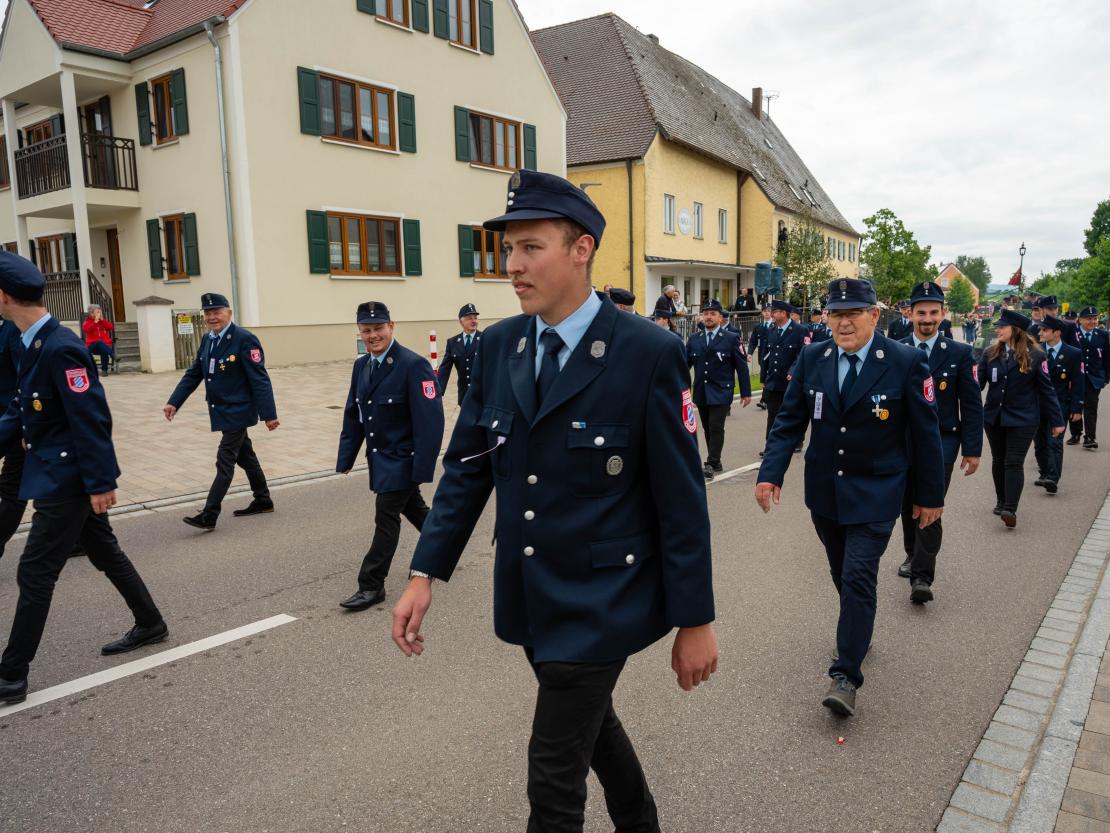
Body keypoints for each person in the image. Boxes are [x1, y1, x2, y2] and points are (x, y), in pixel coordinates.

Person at [391, 169, 718, 832]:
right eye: (508, 249)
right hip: (531, 594)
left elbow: (681, 502)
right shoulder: (501, 345)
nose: (512, 266)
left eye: (530, 247)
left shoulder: (648, 354)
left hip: (602, 601)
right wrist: (426, 570)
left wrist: (695, 619)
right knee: (594, 732)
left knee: (552, 772)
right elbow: (467, 468)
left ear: (581, 248)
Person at [755, 277, 944, 717]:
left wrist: (929, 497)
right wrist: (771, 474)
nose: (842, 323)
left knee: (859, 576)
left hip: (877, 491)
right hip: (825, 491)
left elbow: (925, 433)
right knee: (842, 574)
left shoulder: (905, 362)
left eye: (852, 314)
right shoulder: (812, 356)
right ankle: (859, 626)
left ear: (874, 316)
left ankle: (846, 675)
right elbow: (788, 422)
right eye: (835, 314)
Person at [0, 252, 167, 706]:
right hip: (55, 471)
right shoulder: (29, 342)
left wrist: (99, 482)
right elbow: (22, 410)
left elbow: (91, 420)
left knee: (34, 571)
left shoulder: (61, 346)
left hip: (69, 477)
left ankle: (11, 675)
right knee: (104, 550)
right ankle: (150, 622)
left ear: (4, 296)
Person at [336, 302, 444, 611]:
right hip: (381, 460)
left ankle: (371, 585)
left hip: (403, 459)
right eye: (366, 330)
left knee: (386, 515)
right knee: (415, 509)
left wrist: (422, 467)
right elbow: (354, 414)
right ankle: (445, 545)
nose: (373, 336)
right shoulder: (362, 365)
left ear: (391, 326)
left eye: (378, 328)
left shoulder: (413, 365)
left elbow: (431, 421)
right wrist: (346, 458)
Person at [896, 281, 982, 604]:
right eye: (921, 312)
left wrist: (973, 449)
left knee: (930, 500)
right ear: (910, 314)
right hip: (902, 441)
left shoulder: (959, 354)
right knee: (907, 503)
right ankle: (911, 553)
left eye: (934, 312)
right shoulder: (896, 349)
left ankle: (922, 575)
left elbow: (972, 404)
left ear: (943, 314)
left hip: (944, 440)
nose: (927, 318)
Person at [164, 293, 278, 531]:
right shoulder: (208, 339)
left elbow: (260, 380)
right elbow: (195, 373)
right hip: (221, 410)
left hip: (239, 410)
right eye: (208, 313)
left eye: (217, 312)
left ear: (229, 312)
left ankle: (210, 513)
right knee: (245, 456)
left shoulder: (245, 339)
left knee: (224, 461)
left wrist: (269, 414)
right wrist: (174, 401)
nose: (212, 317)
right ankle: (263, 499)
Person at [978, 309, 1064, 528]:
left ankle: (1010, 508)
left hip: (1023, 419)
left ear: (1015, 330)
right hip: (994, 418)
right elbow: (976, 385)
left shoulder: (1037, 355)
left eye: (1002, 326)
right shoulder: (990, 353)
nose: (998, 329)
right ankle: (1000, 500)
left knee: (1013, 462)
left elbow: (1047, 391)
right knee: (998, 460)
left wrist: (1056, 421)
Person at [687, 298, 752, 480]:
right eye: (706, 313)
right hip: (701, 391)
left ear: (720, 318)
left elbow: (741, 367)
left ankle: (711, 461)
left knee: (716, 426)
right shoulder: (694, 339)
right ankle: (716, 461)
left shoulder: (731, 338)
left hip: (722, 390)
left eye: (712, 314)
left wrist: (746, 392)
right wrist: (679, 388)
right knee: (707, 428)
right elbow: (685, 365)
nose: (708, 317)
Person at [1034, 316, 1084, 494]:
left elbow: (1078, 382)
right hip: (1037, 405)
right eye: (1040, 329)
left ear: (1057, 333)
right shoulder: (1035, 351)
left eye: (1044, 330)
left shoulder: (1073, 353)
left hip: (1059, 405)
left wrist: (1077, 408)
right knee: (1039, 443)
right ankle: (1044, 472)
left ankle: (1052, 478)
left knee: (1054, 442)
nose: (1040, 333)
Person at [759, 299, 807, 454]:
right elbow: (767, 355)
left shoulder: (800, 330)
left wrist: (794, 371)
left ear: (785, 314)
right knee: (772, 414)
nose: (773, 314)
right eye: (773, 312)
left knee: (793, 412)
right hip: (774, 380)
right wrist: (763, 378)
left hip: (791, 380)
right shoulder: (771, 330)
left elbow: (803, 354)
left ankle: (797, 441)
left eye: (776, 312)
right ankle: (770, 445)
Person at [0, 314, 25, 560]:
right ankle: (83, 537)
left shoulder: (13, 329)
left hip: (17, 422)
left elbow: (25, 380)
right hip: (6, 422)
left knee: (12, 487)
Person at [1072, 306, 1110, 449]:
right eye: (1089, 319)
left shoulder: (1102, 334)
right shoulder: (1073, 334)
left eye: (1095, 318)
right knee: (1075, 404)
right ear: (1080, 320)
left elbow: (1107, 357)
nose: (1093, 321)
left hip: (1094, 378)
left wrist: (1106, 376)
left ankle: (1089, 437)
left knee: (1091, 407)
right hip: (1076, 377)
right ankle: (1076, 433)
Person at [438, 303, 482, 403]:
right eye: (469, 318)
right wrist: (438, 392)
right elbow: (445, 369)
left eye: (475, 318)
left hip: (482, 394)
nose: (474, 321)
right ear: (461, 322)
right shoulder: (452, 342)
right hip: (464, 395)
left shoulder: (484, 338)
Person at [749, 305, 773, 409]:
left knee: (768, 378)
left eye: (769, 311)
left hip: (773, 356)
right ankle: (766, 400)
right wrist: (749, 353)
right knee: (764, 378)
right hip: (762, 356)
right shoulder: (758, 327)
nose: (767, 313)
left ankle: (764, 400)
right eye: (765, 311)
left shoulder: (776, 325)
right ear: (762, 313)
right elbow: (753, 341)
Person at [82, 304, 115, 375]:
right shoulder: (87, 322)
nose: (99, 314)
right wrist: (95, 322)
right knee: (100, 343)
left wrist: (102, 321)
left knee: (103, 348)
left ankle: (104, 370)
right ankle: (113, 354)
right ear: (91, 313)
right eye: (97, 312)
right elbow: (87, 329)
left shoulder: (102, 322)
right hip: (92, 346)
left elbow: (110, 327)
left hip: (104, 346)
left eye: (100, 312)